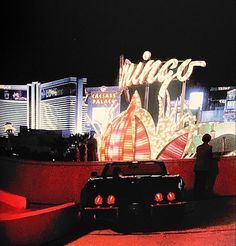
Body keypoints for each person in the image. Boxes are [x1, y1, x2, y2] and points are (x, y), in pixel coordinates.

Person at [194, 133, 213, 200]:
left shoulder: (198, 147)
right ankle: (202, 195)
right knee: (204, 182)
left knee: (197, 182)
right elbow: (210, 157)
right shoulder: (209, 147)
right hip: (205, 167)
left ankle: (196, 195)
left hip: (197, 167)